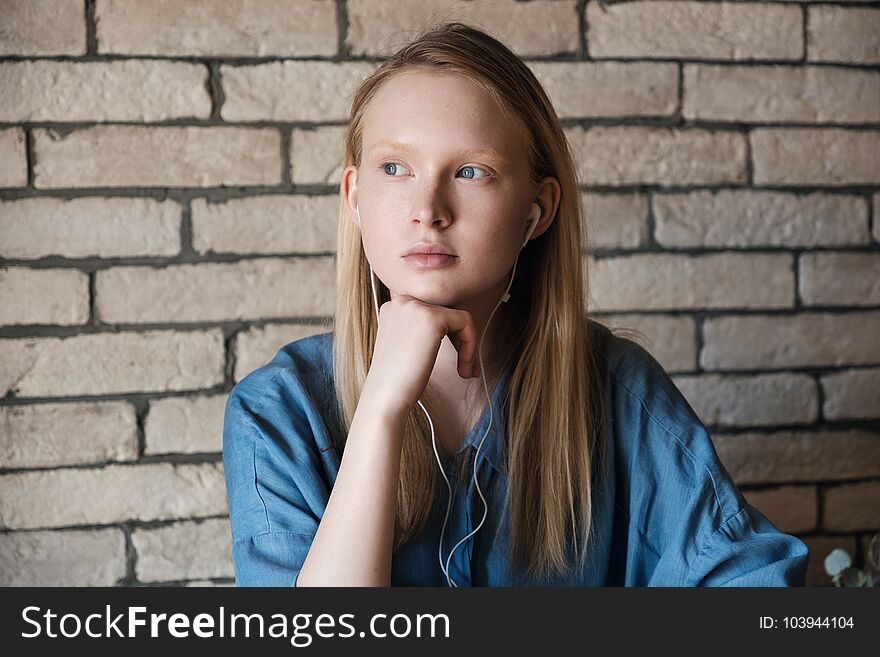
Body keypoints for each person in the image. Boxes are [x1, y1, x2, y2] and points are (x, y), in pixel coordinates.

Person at [222, 21, 810, 587]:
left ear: (537, 211)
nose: (428, 208)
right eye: (394, 167)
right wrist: (381, 409)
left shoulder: (619, 391)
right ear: (355, 196)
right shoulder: (277, 413)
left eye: (472, 171)